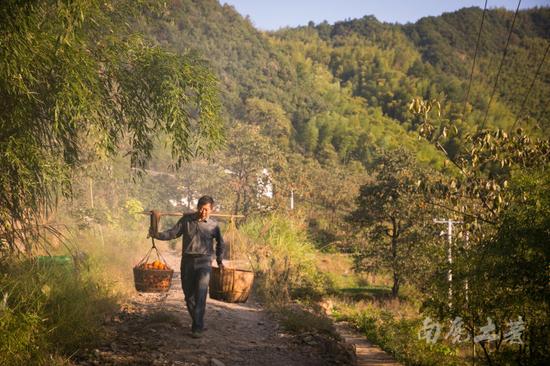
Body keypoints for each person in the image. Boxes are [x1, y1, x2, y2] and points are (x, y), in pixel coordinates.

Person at [150, 195, 224, 338]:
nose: (203, 212)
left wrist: (219, 260)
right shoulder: (186, 221)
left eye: (207, 210)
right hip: (187, 262)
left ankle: (197, 327)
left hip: (204, 263)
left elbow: (221, 243)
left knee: (201, 294)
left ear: (212, 210)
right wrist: (157, 235)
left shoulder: (214, 225)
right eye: (201, 209)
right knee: (189, 295)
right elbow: (172, 233)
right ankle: (198, 321)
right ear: (197, 208)